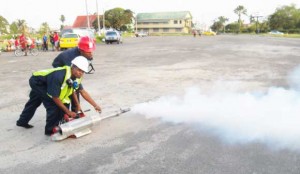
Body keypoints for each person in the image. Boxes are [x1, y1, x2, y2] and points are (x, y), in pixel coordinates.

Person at [16, 56, 99, 135]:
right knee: (53, 104)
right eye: (79, 70)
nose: (80, 73)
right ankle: (50, 130)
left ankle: (22, 121)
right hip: (38, 82)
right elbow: (55, 97)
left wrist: (79, 105)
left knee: (35, 101)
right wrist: (68, 111)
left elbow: (74, 90)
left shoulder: (77, 76)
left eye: (83, 71)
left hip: (47, 82)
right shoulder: (59, 76)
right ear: (73, 67)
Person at [52, 36, 100, 112]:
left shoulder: (83, 55)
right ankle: (66, 114)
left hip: (70, 73)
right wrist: (94, 105)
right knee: (68, 92)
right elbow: (79, 89)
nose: (91, 54)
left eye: (91, 51)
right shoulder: (70, 59)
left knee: (75, 87)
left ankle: (75, 112)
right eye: (88, 51)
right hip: (56, 73)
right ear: (81, 50)